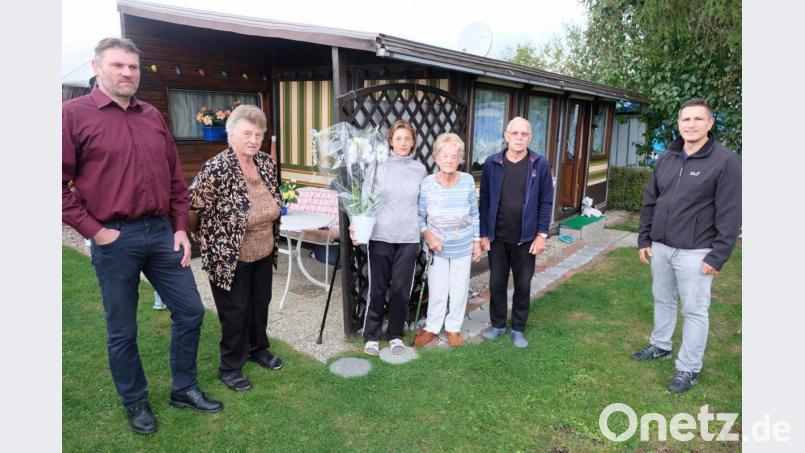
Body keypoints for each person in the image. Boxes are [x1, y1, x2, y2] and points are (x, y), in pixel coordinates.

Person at [62, 37, 222, 436]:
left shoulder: (151, 115)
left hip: (162, 234)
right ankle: (136, 401)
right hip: (115, 238)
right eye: (118, 66)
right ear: (97, 68)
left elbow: (173, 179)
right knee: (123, 330)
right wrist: (96, 233)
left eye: (132, 67)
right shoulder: (72, 116)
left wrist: (181, 227)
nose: (127, 73)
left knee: (190, 311)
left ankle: (183, 388)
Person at [631, 98, 741, 394]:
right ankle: (660, 346)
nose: (690, 125)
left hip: (696, 252)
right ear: (678, 124)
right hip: (661, 248)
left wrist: (718, 256)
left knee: (694, 311)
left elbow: (731, 213)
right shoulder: (667, 158)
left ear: (710, 124)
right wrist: (644, 238)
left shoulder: (726, 161)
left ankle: (688, 368)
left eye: (697, 119)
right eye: (685, 119)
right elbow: (650, 200)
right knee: (662, 300)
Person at [188, 105, 284, 392]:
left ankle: (258, 348)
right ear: (231, 134)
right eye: (247, 133)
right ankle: (230, 366)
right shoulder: (216, 168)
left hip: (264, 249)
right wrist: (201, 236)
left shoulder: (265, 163)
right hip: (229, 254)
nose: (254, 140)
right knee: (235, 311)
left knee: (259, 303)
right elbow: (193, 208)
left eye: (259, 134)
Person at [479, 117, 554, 348]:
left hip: (526, 239)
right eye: (515, 133)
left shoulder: (539, 163)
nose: (519, 138)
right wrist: (483, 233)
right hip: (498, 238)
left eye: (524, 134)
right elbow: (485, 201)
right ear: (506, 135)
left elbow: (546, 201)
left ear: (530, 137)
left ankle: (518, 328)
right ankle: (498, 324)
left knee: (523, 284)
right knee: (497, 283)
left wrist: (542, 234)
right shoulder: (492, 163)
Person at [358, 121, 427, 356]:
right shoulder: (377, 166)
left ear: (413, 143)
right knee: (377, 288)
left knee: (400, 289)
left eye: (407, 139)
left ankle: (396, 335)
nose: (403, 143)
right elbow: (366, 200)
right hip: (380, 235)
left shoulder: (420, 170)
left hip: (408, 237)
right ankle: (372, 336)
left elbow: (423, 205)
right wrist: (358, 225)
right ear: (390, 141)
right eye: (398, 138)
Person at [414, 133, 481, 348]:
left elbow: (475, 214)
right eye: (445, 155)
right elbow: (419, 216)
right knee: (438, 289)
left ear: (460, 159)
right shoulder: (427, 184)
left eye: (454, 156)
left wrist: (477, 241)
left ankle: (453, 328)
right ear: (436, 158)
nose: (450, 160)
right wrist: (429, 236)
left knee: (460, 289)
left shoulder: (468, 181)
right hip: (436, 248)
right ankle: (433, 327)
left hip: (462, 246)